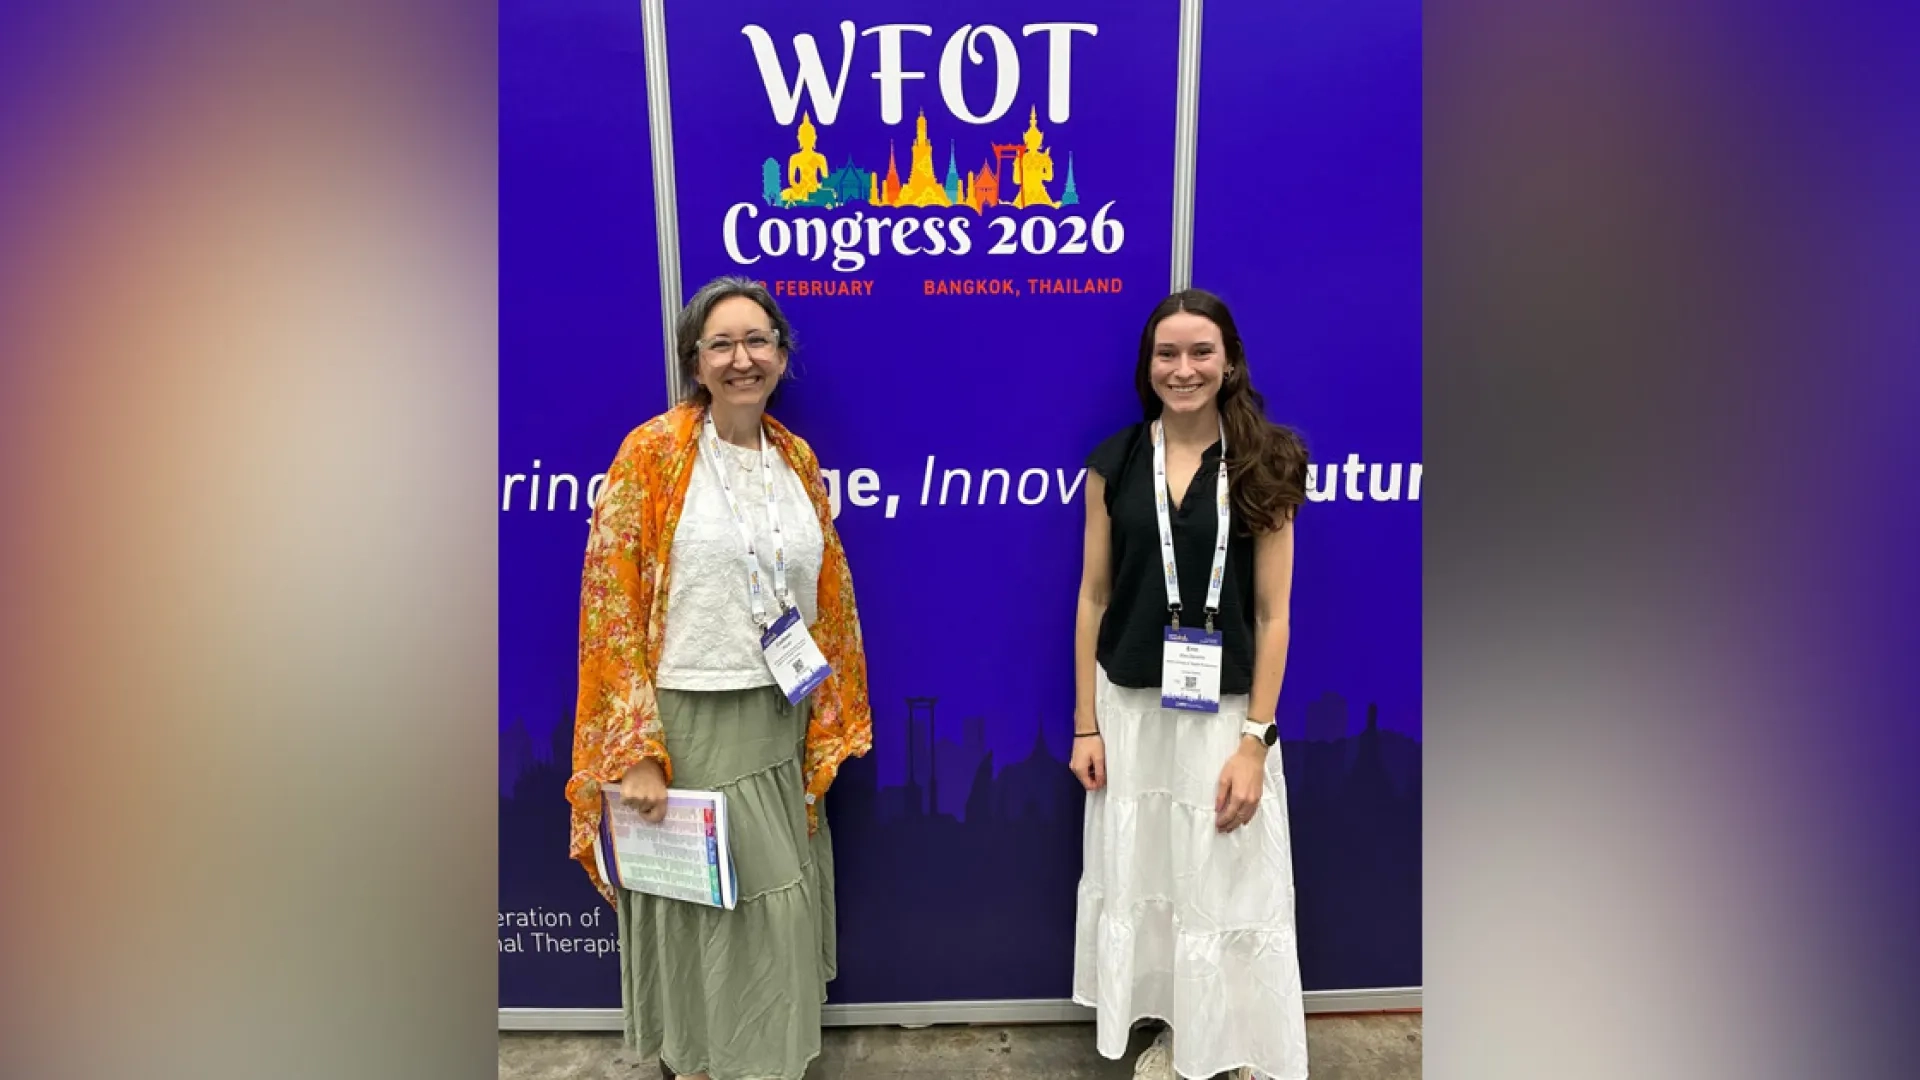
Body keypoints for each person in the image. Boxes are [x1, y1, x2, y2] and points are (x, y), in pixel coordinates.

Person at [565, 276, 873, 1080]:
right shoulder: (653, 454)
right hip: (689, 722)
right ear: (696, 362)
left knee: (775, 910)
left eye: (758, 341)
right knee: (708, 909)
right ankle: (703, 1067)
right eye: (722, 344)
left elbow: (825, 593)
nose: (743, 359)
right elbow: (610, 605)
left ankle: (760, 1063)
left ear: (781, 355)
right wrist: (634, 747)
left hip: (782, 716)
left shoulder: (794, 458)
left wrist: (827, 711)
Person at [1070, 289, 1311, 1080]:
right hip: (1131, 710)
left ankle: (1234, 1049)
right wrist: (1085, 725)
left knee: (1226, 884)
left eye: (1200, 352)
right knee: (1154, 881)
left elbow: (1274, 615)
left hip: (1228, 714)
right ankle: (1177, 1039)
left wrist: (1256, 740)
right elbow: (1094, 597)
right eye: (1166, 354)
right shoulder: (1114, 462)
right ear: (1148, 368)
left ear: (1230, 361)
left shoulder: (1266, 461)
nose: (1183, 369)